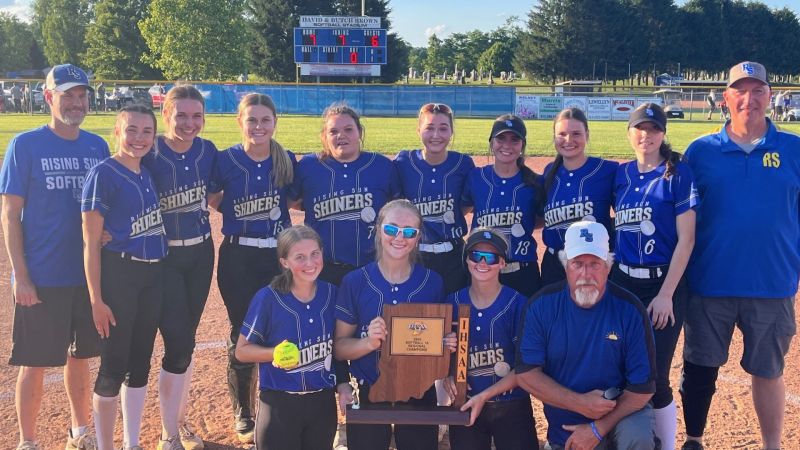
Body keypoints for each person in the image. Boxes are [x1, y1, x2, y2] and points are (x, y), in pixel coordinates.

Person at [680, 61, 799, 450]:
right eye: (740, 91)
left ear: (770, 96)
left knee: (768, 371)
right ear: (726, 98)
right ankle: (695, 439)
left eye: (757, 90)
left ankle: (772, 446)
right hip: (711, 281)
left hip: (772, 282)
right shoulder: (700, 152)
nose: (749, 98)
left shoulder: (793, 149)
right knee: (700, 367)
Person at [1, 63, 108, 450]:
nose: (77, 102)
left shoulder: (97, 145)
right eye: (68, 95)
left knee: (81, 357)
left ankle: (80, 432)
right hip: (43, 274)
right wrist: (21, 276)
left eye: (82, 95)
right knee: (34, 363)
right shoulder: (25, 145)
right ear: (49, 97)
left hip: (86, 274)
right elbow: (10, 215)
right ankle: (27, 441)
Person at [516, 221, 657, 450]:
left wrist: (597, 428)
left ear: (608, 266)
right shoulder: (541, 306)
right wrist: (580, 403)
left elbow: (642, 388)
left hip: (619, 412)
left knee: (637, 437)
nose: (586, 273)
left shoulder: (630, 309)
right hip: (567, 423)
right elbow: (526, 374)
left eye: (595, 264)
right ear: (565, 265)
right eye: (578, 264)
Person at [81, 105, 167, 450]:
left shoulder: (146, 172)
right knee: (114, 363)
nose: (139, 138)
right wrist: (96, 300)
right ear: (117, 132)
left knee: (141, 361)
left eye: (147, 131)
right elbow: (90, 242)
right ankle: (105, 445)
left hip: (153, 275)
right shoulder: (104, 173)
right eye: (131, 130)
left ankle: (131, 443)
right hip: (120, 274)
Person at [212, 93, 296, 443]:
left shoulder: (286, 159)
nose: (258, 126)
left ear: (274, 122)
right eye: (252, 120)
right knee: (242, 333)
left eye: (265, 120)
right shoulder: (226, 159)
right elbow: (215, 200)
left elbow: (294, 200)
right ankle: (242, 409)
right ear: (240, 122)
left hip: (276, 257)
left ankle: (277, 401)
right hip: (239, 257)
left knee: (282, 327)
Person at [612, 103, 696, 450]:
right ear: (630, 133)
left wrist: (665, 294)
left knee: (656, 375)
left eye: (653, 129)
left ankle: (666, 444)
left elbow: (687, 239)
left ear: (663, 134)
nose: (645, 135)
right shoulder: (621, 174)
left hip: (664, 284)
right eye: (639, 128)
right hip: (622, 282)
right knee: (617, 366)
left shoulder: (677, 173)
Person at [334, 199, 448, 450]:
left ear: (418, 238)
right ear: (378, 229)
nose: (400, 237)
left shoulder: (432, 282)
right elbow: (340, 348)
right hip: (370, 390)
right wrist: (368, 343)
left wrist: (445, 344)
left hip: (419, 391)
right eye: (391, 229)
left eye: (409, 232)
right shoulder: (355, 281)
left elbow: (440, 345)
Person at [141, 84, 216, 450]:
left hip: (201, 254)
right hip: (165, 258)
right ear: (165, 114)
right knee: (179, 341)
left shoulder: (207, 151)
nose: (189, 123)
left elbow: (219, 196)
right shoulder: (149, 152)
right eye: (181, 115)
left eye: (196, 115)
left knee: (187, 340)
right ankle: (168, 433)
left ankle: (178, 422)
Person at [235, 225, 352, 450]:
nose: (310, 263)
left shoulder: (331, 294)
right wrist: (273, 353)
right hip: (279, 405)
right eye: (300, 257)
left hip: (322, 405)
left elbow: (336, 349)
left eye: (314, 254)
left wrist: (344, 384)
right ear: (284, 262)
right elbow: (241, 350)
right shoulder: (268, 298)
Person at [444, 227, 537, 450]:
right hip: (465, 402)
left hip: (512, 403)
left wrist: (484, 396)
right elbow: (435, 351)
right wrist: (445, 371)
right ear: (467, 260)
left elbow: (526, 368)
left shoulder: (518, 304)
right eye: (476, 256)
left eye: (491, 257)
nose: (482, 263)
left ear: (503, 263)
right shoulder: (451, 302)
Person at [291, 103, 399, 286]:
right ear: (324, 136)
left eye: (348, 129)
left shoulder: (381, 166)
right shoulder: (309, 166)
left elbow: (398, 208)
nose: (341, 135)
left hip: (371, 267)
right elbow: (292, 200)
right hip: (320, 269)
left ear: (360, 133)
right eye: (333, 131)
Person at [394, 102, 474, 293]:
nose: (436, 135)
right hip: (415, 254)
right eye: (429, 128)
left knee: (452, 312)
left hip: (453, 254)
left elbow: (466, 205)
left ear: (451, 132)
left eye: (443, 128)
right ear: (418, 130)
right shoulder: (404, 161)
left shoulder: (462, 164)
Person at [463, 114, 543, 297]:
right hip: (482, 269)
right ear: (491, 142)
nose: (507, 145)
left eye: (514, 139)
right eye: (501, 138)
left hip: (522, 272)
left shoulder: (534, 183)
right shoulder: (476, 177)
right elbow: (464, 208)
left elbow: (539, 219)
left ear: (522, 145)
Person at [540, 107, 617, 286]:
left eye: (576, 133)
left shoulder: (607, 170)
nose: (569, 140)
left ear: (587, 135)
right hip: (554, 264)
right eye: (562, 134)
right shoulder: (548, 173)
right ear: (554, 138)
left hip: (592, 263)